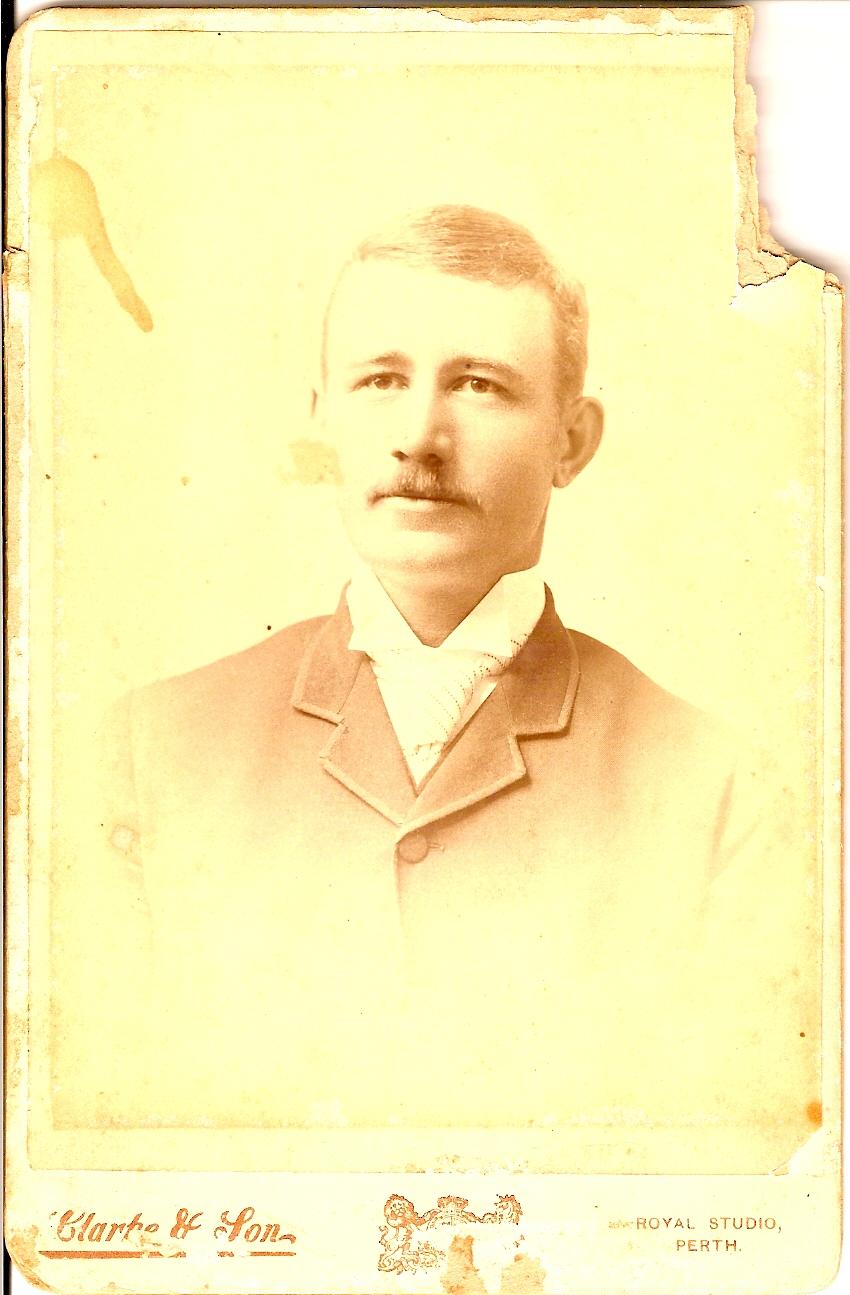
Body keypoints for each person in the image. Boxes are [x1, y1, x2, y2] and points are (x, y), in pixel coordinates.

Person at [75, 205, 816, 1156]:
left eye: (480, 384)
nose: (419, 435)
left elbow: (733, 1171)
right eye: (380, 380)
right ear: (324, 422)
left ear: (572, 441)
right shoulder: (144, 753)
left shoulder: (721, 792)